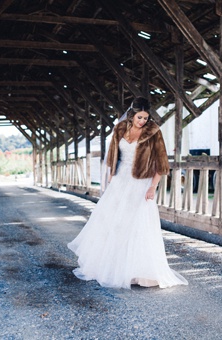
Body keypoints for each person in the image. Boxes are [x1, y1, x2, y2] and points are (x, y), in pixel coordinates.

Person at [68, 97, 188, 288]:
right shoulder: (120, 129)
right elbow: (112, 156)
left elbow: (162, 163)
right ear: (132, 115)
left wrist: (152, 186)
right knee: (114, 223)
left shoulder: (154, 132)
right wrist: (110, 179)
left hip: (141, 183)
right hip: (119, 181)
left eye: (146, 118)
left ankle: (140, 272)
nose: (142, 121)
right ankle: (109, 267)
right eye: (139, 117)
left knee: (138, 225)